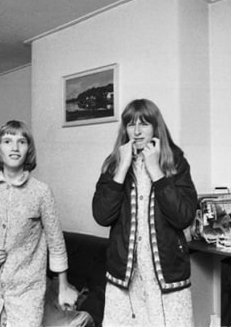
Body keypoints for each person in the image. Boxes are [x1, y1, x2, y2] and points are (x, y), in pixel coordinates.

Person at [92, 99, 198, 327]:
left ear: (156, 127)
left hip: (166, 275)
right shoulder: (112, 165)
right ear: (125, 129)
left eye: (144, 124)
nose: (137, 132)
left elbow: (184, 217)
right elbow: (102, 216)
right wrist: (121, 168)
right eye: (131, 125)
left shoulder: (176, 162)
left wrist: (156, 171)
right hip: (125, 277)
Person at [0, 120, 79, 327]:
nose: (14, 148)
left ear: (28, 149)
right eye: (7, 141)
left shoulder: (41, 192)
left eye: (21, 142)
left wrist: (63, 286)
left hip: (27, 288)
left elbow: (56, 241)